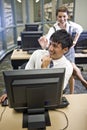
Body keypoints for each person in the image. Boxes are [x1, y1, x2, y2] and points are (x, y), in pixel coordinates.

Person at [38, 6, 87, 89]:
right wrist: (45, 42)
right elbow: (49, 38)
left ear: (67, 16)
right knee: (71, 68)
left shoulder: (71, 25)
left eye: (64, 16)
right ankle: (83, 82)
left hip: (69, 50)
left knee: (72, 69)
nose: (62, 19)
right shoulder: (53, 28)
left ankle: (75, 90)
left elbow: (80, 29)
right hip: (59, 51)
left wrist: (75, 40)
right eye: (60, 16)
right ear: (57, 17)